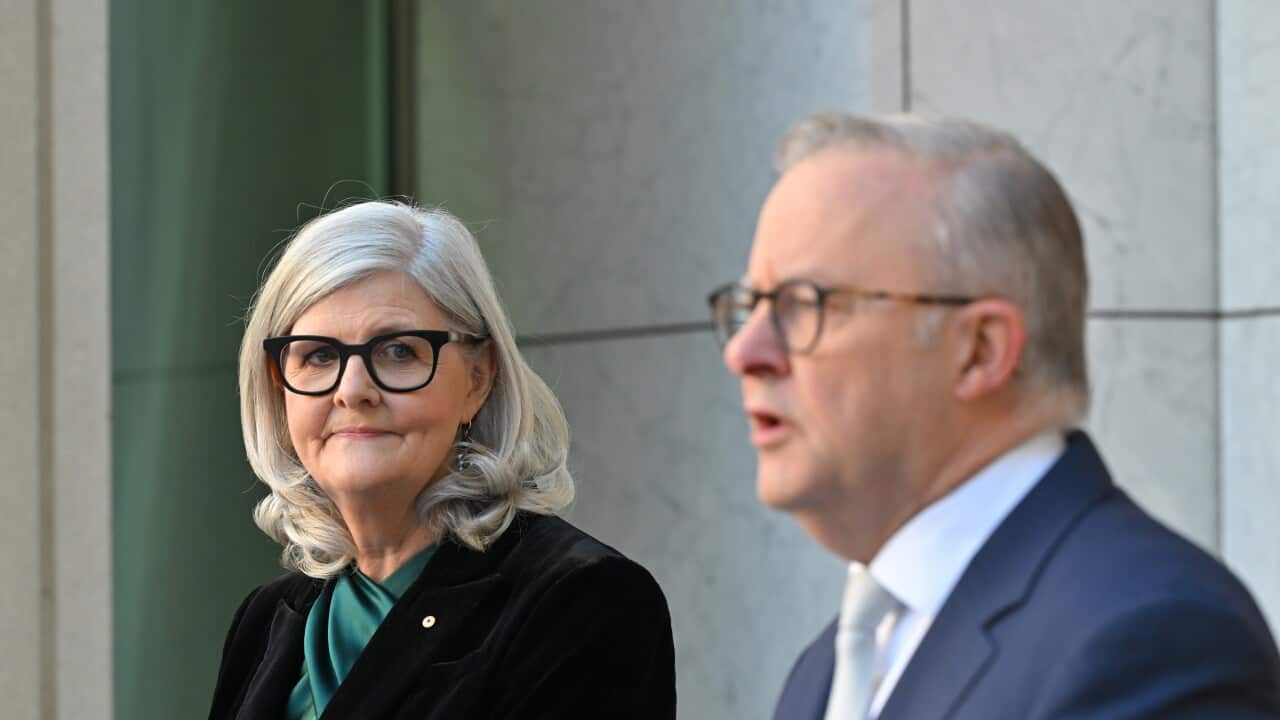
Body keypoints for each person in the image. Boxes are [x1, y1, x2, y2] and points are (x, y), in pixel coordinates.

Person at [708, 112, 1280, 719]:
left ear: (980, 350)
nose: (744, 352)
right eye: (750, 304)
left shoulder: (1152, 637)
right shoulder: (832, 666)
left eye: (805, 304)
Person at [209, 200, 676, 719]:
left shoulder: (583, 599)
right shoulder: (264, 621)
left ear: (477, 380)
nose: (353, 390)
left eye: (399, 351)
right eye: (319, 355)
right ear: (279, 388)